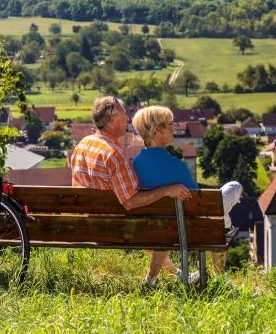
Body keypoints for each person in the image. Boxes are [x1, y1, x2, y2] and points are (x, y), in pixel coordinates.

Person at [70, 97, 191, 286]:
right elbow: (130, 202)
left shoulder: (83, 145)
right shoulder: (114, 154)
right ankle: (152, 280)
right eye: (123, 114)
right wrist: (167, 190)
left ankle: (175, 273)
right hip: (113, 227)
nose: (127, 118)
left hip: (85, 224)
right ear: (112, 120)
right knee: (161, 222)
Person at [131, 105, 243, 283]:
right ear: (159, 130)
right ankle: (221, 277)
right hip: (185, 231)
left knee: (219, 214)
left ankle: (154, 278)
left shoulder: (133, 165)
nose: (174, 128)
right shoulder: (177, 167)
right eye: (170, 124)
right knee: (233, 191)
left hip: (148, 231)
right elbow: (199, 207)